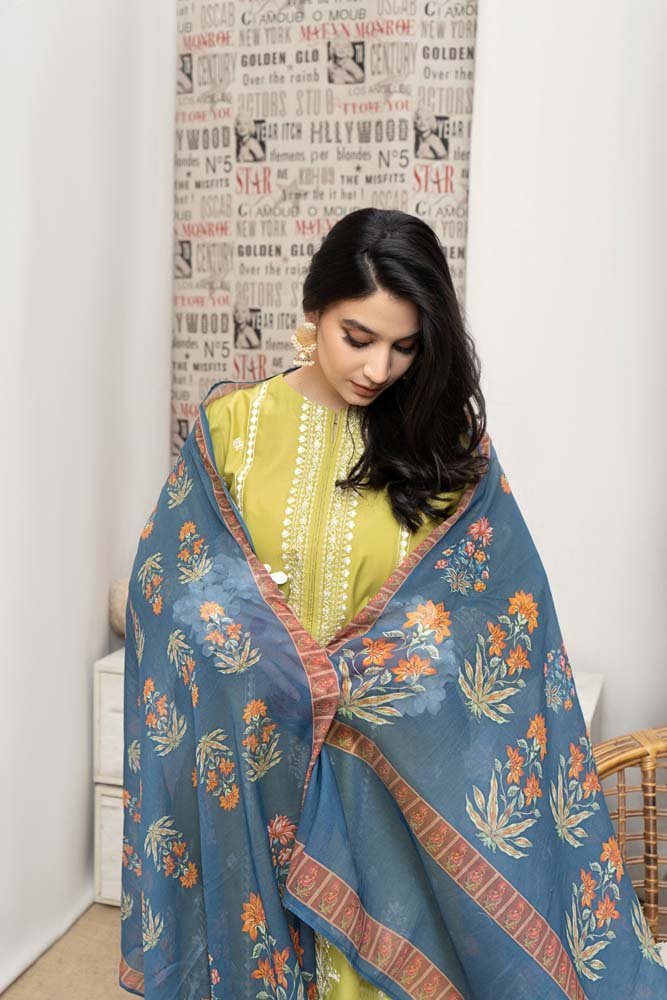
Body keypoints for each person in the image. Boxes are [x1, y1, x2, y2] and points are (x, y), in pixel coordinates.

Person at [120, 208, 667, 999]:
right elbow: (168, 583)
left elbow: (497, 615)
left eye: (404, 346)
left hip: (384, 771)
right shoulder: (231, 430)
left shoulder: (443, 445)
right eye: (358, 337)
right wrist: (258, 641)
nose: (378, 368)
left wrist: (362, 677)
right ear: (314, 311)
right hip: (258, 751)